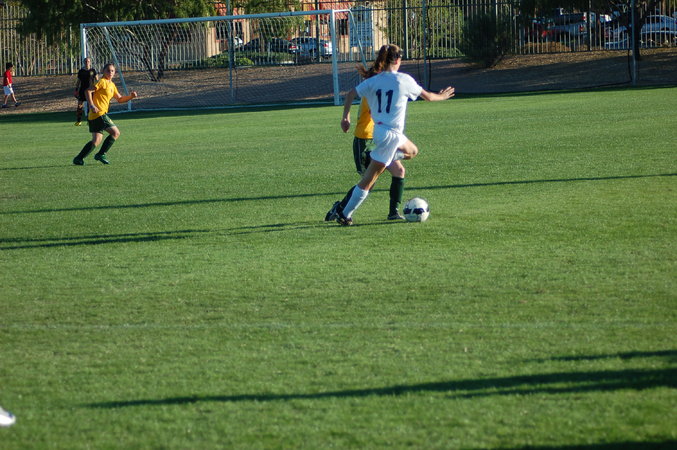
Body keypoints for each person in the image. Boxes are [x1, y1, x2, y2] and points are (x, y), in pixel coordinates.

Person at [326, 44, 454, 226]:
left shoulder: (375, 81)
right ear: (397, 60)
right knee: (369, 180)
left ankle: (378, 160)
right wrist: (442, 96)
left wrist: (345, 117)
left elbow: (351, 94)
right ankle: (345, 214)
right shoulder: (403, 80)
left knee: (412, 151)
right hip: (390, 136)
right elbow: (429, 97)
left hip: (384, 133)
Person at [325, 93, 408, 222]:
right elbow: (376, 112)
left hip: (382, 139)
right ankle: (340, 208)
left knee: (399, 170)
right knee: (369, 181)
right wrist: (345, 117)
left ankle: (393, 212)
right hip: (365, 140)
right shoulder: (372, 89)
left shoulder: (384, 87)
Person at [72, 63, 138, 165]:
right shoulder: (102, 81)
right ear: (103, 71)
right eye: (108, 70)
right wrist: (92, 105)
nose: (110, 72)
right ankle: (101, 154)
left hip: (94, 115)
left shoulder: (112, 85)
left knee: (96, 140)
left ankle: (78, 159)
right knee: (115, 133)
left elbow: (120, 99)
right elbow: (88, 91)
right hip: (99, 113)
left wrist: (131, 97)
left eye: (112, 71)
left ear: (114, 72)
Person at [73, 57, 98, 126]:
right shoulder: (81, 71)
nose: (87, 62)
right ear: (84, 62)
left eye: (88, 61)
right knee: (79, 105)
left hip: (91, 90)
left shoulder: (93, 70)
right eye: (86, 61)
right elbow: (78, 81)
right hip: (82, 90)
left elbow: (97, 80)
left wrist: (97, 88)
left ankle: (89, 120)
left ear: (90, 62)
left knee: (90, 105)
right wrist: (76, 90)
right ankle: (78, 121)